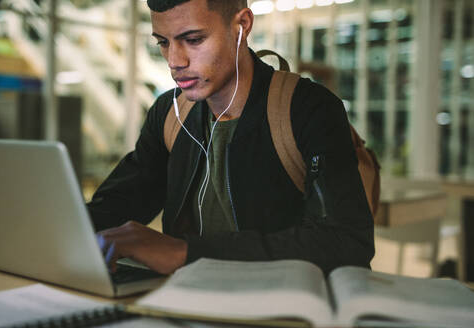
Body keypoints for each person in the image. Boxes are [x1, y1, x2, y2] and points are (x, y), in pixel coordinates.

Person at [88, 0, 375, 276]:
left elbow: (347, 243)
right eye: (163, 42)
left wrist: (187, 252)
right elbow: (118, 204)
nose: (175, 61)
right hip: (185, 303)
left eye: (194, 39)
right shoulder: (169, 113)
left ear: (242, 25)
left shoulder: (308, 109)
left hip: (278, 307)